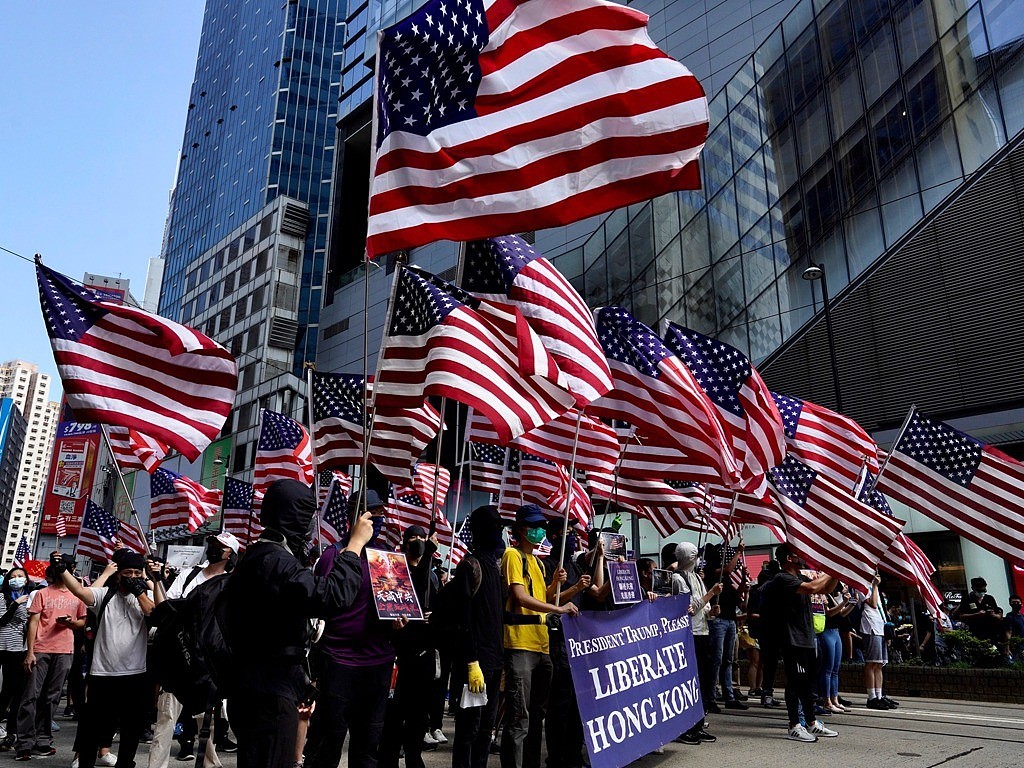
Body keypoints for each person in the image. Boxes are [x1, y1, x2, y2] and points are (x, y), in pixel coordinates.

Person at [225, 479, 374, 768]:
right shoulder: (275, 562)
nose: (310, 525)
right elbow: (332, 595)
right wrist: (354, 546)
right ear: (291, 516)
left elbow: (277, 630)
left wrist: (301, 684)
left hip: (258, 686)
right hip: (268, 695)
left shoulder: (258, 557)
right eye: (306, 515)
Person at [303, 489, 398, 768]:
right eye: (374, 513)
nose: (379, 519)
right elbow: (321, 604)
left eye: (382, 513)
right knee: (326, 745)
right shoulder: (333, 556)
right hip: (339, 663)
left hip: (378, 663)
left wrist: (400, 618)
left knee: (368, 748)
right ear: (357, 517)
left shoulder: (388, 558)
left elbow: (396, 601)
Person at [54, 548, 164, 768]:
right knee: (93, 726)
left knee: (131, 728)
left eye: (136, 572)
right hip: (102, 674)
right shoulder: (105, 595)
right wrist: (63, 570)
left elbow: (159, 613)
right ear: (118, 574)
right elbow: (79, 591)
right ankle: (85, 761)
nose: (132, 577)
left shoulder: (144, 597)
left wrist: (146, 587)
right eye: (127, 573)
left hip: (135, 674)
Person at [149, 532, 240, 768]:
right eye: (212, 544)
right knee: (166, 717)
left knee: (205, 721)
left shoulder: (233, 584)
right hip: (179, 657)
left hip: (208, 665)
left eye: (220, 546)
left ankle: (210, 764)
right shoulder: (189, 575)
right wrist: (157, 580)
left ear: (231, 555)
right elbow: (166, 609)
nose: (213, 548)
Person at [499, 505, 579, 768]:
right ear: (521, 530)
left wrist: (556, 584)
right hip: (520, 643)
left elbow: (540, 596)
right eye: (535, 526)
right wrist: (558, 608)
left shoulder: (537, 562)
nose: (540, 531)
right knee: (519, 718)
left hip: (541, 646)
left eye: (542, 526)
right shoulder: (512, 555)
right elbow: (521, 597)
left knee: (536, 716)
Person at [761, 543, 839, 743]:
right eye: (798, 554)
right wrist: (833, 566)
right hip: (792, 639)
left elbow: (825, 587)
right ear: (789, 558)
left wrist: (838, 572)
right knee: (796, 682)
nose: (803, 557)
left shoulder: (799, 578)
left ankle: (811, 723)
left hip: (807, 637)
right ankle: (794, 725)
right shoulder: (782, 578)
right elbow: (812, 587)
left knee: (807, 683)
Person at [448, 506, 505, 768]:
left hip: (494, 663)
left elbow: (499, 616)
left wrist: (540, 617)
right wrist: (471, 662)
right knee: (468, 730)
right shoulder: (469, 567)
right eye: (494, 526)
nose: (500, 531)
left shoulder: (494, 568)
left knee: (486, 729)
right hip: (474, 665)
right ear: (480, 530)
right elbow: (463, 619)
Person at [380, 525, 440, 768]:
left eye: (421, 538)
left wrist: (433, 616)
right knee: (393, 717)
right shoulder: (395, 570)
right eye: (412, 538)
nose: (417, 542)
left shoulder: (433, 576)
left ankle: (415, 757)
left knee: (417, 717)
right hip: (399, 654)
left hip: (423, 655)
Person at [14, 563, 87, 759]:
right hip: (40, 649)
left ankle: (43, 740)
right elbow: (33, 622)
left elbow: (82, 621)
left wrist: (71, 623)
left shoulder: (77, 595)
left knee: (52, 698)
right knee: (30, 696)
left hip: (65, 650)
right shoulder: (42, 593)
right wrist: (30, 652)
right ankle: (24, 742)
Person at [541, 520, 593, 768]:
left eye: (573, 533)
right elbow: (548, 599)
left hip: (579, 643)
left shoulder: (575, 564)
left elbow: (597, 592)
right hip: (558, 642)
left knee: (577, 704)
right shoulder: (549, 564)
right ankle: (557, 757)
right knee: (560, 704)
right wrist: (573, 587)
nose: (572, 537)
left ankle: (574, 753)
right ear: (553, 537)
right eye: (566, 534)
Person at [670, 541, 721, 745]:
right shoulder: (678, 578)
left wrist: (712, 611)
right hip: (688, 634)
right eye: (695, 556)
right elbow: (689, 607)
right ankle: (686, 727)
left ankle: (698, 724)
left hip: (703, 632)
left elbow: (704, 607)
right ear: (690, 558)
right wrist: (711, 594)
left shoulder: (696, 578)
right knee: (689, 682)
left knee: (702, 681)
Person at [0, 568, 34, 749]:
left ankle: (11, 733)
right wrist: (15, 604)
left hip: (19, 649)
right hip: (2, 647)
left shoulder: (31, 598)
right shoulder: (2, 597)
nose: (17, 580)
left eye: (20, 576)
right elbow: (1, 622)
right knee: (4, 692)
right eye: (13, 577)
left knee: (15, 692)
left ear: (27, 580)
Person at [858, 572, 897, 710]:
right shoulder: (861, 586)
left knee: (880, 664)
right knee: (872, 662)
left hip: (881, 627)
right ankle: (872, 697)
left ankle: (880, 696)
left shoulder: (876, 587)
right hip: (871, 627)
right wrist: (874, 585)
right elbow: (873, 604)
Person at [817, 583, 854, 714]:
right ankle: (827, 700)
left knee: (835, 669)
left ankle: (835, 699)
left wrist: (851, 604)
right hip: (827, 631)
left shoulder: (830, 596)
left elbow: (841, 614)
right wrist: (844, 602)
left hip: (836, 632)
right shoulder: (821, 595)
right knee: (828, 668)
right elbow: (829, 613)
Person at [954, 577, 1001, 642]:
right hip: (975, 632)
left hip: (991, 631)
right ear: (973, 589)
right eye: (979, 591)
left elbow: (999, 615)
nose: (982, 593)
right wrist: (976, 614)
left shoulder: (989, 598)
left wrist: (993, 615)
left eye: (984, 590)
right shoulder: (967, 599)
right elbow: (961, 616)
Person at [1002, 594, 1024, 660]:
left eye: (1018, 602)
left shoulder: (1022, 616)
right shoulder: (1009, 617)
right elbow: (1008, 633)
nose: (1016, 604)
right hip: (1016, 646)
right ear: (1010, 604)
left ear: (1021, 604)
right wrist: (1007, 648)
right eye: (1014, 603)